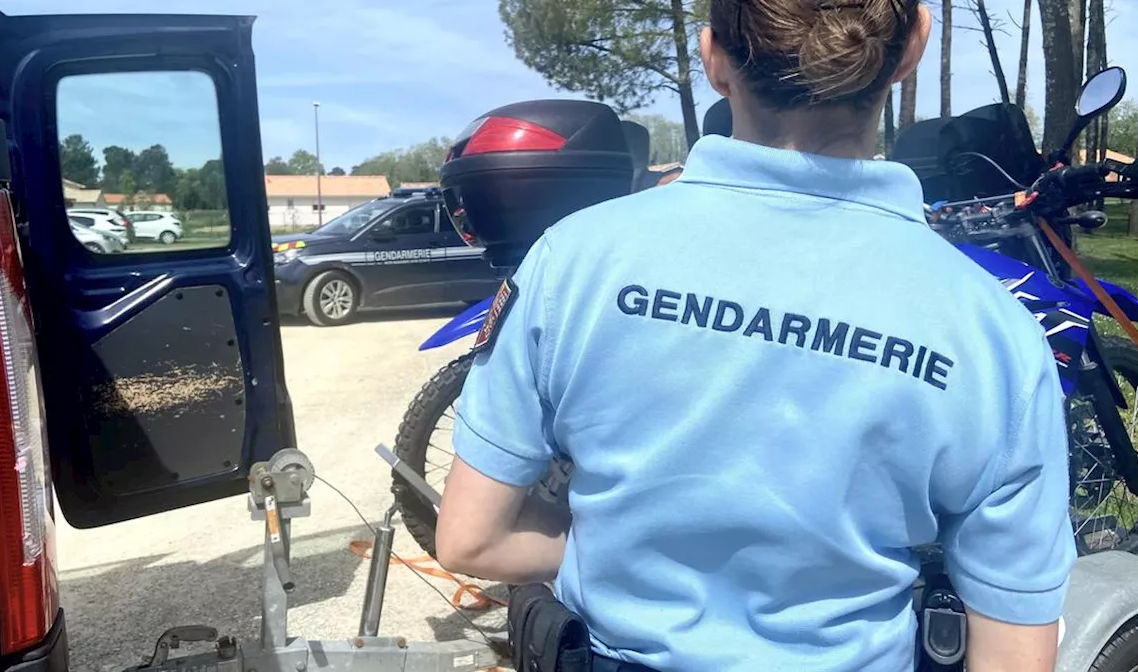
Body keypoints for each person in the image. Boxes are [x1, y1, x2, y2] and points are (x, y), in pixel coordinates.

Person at [435, 1, 1076, 670]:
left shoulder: (572, 261)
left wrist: (619, 545)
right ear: (913, 46)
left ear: (713, 59)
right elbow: (1014, 650)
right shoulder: (991, 330)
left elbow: (471, 541)